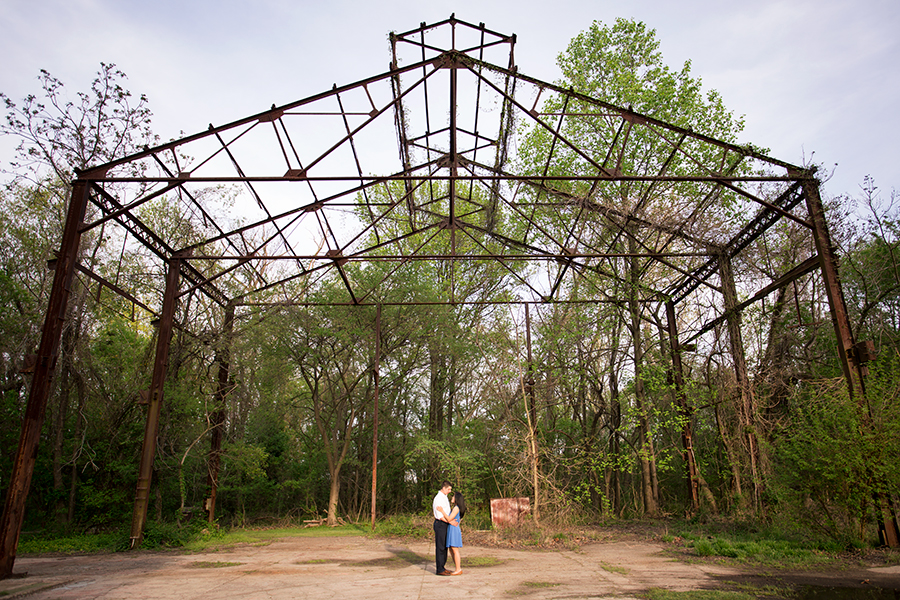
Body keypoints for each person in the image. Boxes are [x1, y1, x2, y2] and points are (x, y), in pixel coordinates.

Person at [432, 480, 453, 575]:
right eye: (449, 489)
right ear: (444, 488)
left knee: (445, 546)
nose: (450, 491)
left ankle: (443, 567)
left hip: (445, 523)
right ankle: (439, 569)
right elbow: (440, 515)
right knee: (440, 547)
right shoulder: (438, 499)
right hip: (441, 523)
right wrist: (449, 521)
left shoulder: (444, 497)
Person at [445, 491, 466, 575]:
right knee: (451, 549)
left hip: (454, 529)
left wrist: (442, 511)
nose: (452, 498)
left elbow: (449, 518)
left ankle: (458, 569)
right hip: (452, 528)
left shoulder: (456, 508)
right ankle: (457, 567)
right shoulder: (456, 508)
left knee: (454, 549)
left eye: (453, 497)